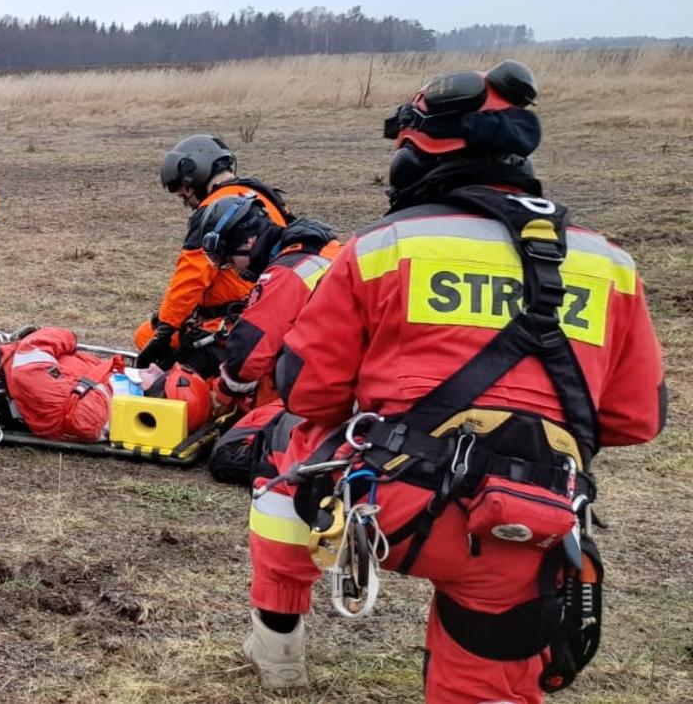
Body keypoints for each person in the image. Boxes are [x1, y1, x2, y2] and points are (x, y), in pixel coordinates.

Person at [243, 61, 664, 702]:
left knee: (283, 446)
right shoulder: (612, 265)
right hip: (525, 520)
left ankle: (276, 643)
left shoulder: (386, 245)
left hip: (387, 504)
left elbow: (309, 393)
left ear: (418, 153)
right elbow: (637, 420)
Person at [190, 197, 340, 484]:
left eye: (231, 261)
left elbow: (249, 355)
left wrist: (220, 396)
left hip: (322, 397)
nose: (234, 270)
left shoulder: (285, 272)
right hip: (348, 386)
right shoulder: (321, 252)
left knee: (228, 454)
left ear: (246, 243)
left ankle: (312, 464)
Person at [136, 135, 290, 375]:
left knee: (146, 338)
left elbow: (191, 277)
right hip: (270, 309)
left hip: (233, 318)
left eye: (184, 193)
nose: (185, 201)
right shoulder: (263, 198)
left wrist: (166, 329)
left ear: (194, 174)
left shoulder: (215, 210)